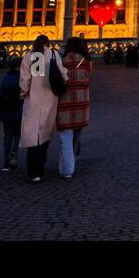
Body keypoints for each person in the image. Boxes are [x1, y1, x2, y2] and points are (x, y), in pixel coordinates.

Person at [19, 34, 61, 183]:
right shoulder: (54, 54)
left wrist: (23, 93)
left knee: (33, 136)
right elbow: (63, 75)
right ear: (47, 44)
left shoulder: (30, 56)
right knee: (44, 134)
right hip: (50, 99)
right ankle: (40, 165)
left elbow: (25, 80)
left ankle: (34, 171)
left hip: (33, 100)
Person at [56, 37, 92, 179]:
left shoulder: (62, 60)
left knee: (66, 136)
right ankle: (70, 163)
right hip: (81, 101)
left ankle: (66, 168)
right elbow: (88, 76)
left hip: (65, 101)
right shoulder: (86, 60)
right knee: (77, 133)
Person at [0, 56, 23, 171]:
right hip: (16, 112)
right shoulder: (21, 80)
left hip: (5, 111)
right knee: (17, 134)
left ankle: (6, 163)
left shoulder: (5, 78)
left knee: (7, 137)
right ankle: (14, 151)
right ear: (18, 68)